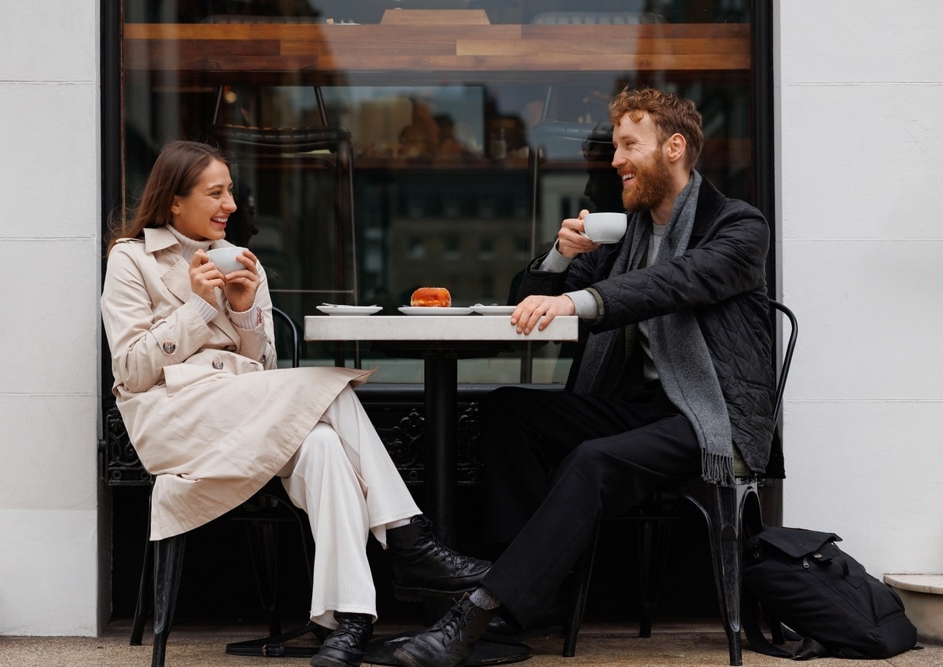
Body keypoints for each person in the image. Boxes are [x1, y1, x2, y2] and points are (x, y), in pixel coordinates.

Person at [393, 88, 779, 667]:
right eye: (616, 146)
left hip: (713, 416)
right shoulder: (628, 234)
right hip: (643, 404)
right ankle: (528, 587)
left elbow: (674, 284)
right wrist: (557, 258)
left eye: (630, 145)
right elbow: (525, 304)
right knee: (508, 411)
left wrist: (582, 299)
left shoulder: (737, 226)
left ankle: (478, 612)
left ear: (674, 148)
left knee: (592, 459)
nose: (616, 160)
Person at [100, 140, 490, 667]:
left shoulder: (239, 261)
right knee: (328, 386)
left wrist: (242, 313)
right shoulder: (131, 259)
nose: (231, 205)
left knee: (326, 444)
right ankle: (407, 541)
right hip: (176, 422)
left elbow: (265, 374)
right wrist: (197, 307)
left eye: (231, 191)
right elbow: (130, 370)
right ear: (174, 200)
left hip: (245, 416)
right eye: (216, 193)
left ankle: (347, 622)